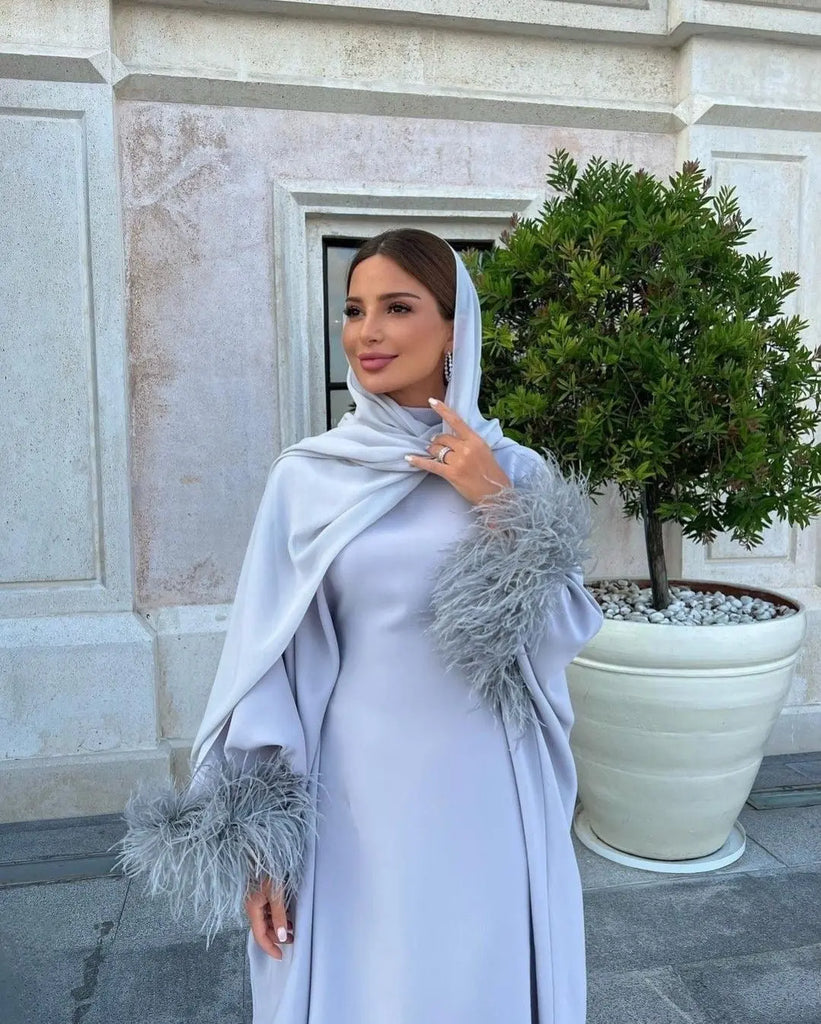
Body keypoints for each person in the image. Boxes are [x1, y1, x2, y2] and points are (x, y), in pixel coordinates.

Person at [118, 228, 604, 1024]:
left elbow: (558, 639)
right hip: (354, 792)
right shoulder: (308, 477)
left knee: (478, 975)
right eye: (354, 309)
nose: (367, 332)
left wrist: (497, 503)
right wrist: (260, 842)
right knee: (373, 981)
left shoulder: (517, 471)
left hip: (489, 784)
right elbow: (267, 662)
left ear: (454, 330)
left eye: (397, 308)